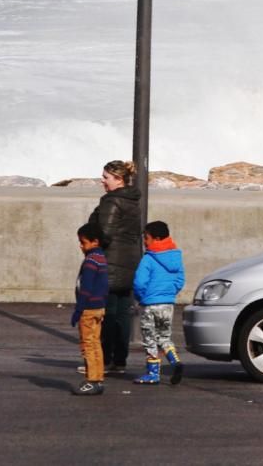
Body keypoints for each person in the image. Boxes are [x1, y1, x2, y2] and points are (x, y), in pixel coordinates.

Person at [87, 160, 142, 374]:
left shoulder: (112, 201)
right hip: (130, 262)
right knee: (123, 314)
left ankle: (104, 359)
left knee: (107, 314)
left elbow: (105, 234)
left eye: (106, 177)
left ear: (118, 179)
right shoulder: (132, 201)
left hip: (110, 263)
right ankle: (120, 361)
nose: (102, 181)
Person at [132, 220, 186, 385]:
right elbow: (180, 280)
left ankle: (153, 373)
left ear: (155, 238)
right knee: (164, 336)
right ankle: (175, 361)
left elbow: (139, 282)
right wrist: (169, 293)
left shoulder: (148, 259)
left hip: (150, 304)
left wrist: (141, 297)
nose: (145, 242)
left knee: (149, 338)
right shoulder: (175, 257)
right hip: (168, 304)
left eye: (146, 238)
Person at [72, 222, 108, 396]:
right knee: (96, 343)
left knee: (87, 345)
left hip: (88, 308)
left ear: (95, 242)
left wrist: (79, 310)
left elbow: (86, 288)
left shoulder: (90, 261)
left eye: (83, 242)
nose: (81, 246)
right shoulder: (101, 258)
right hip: (99, 307)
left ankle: (91, 379)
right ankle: (98, 378)